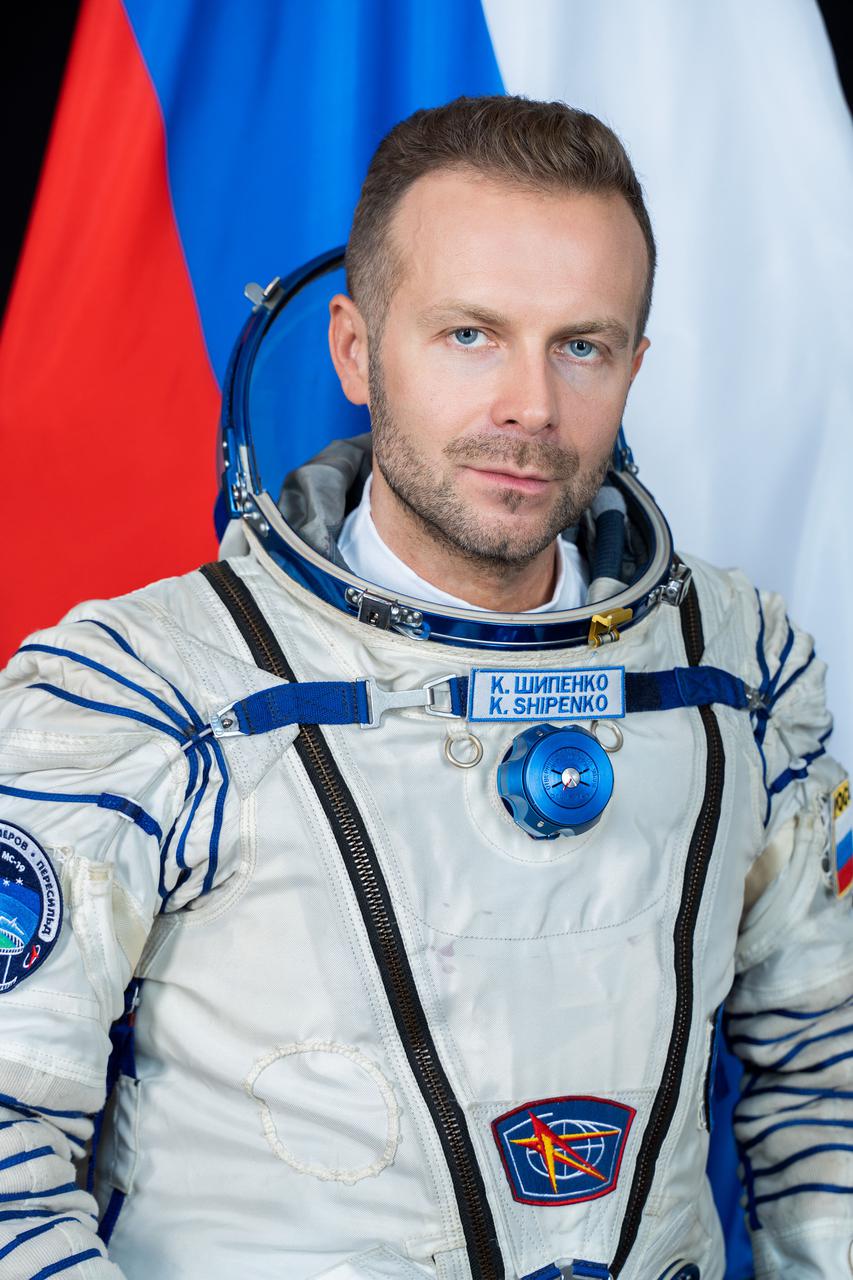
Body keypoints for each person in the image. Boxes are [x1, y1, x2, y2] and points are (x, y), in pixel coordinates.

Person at [0, 95, 849, 1280]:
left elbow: (826, 1069)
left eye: (582, 345)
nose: (530, 408)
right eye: (470, 334)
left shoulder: (737, 668)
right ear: (354, 346)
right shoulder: (146, 693)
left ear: (634, 365)